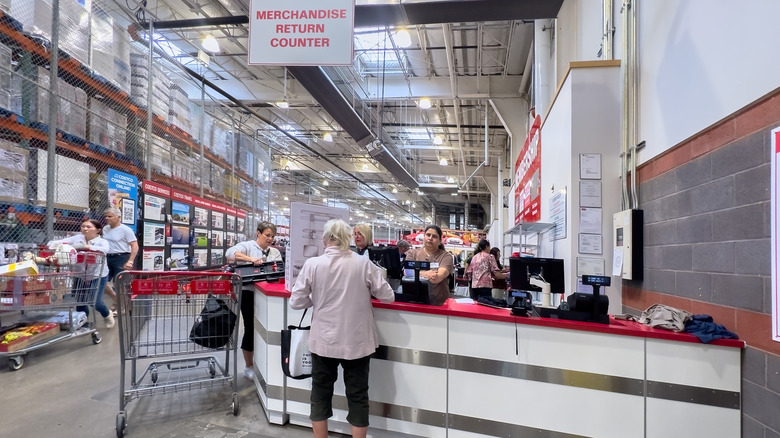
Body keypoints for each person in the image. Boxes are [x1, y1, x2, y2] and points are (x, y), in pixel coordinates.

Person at [290, 219, 393, 438]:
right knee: (358, 396)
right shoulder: (363, 263)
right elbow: (388, 296)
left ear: (324, 239)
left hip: (323, 341)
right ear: (348, 239)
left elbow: (296, 302)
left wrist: (316, 299)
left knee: (319, 393)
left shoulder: (313, 264)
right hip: (357, 341)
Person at [225, 221, 282, 380]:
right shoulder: (248, 246)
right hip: (249, 294)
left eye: (272, 236)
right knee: (250, 328)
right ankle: (248, 366)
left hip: (269, 296)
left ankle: (264, 362)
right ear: (258, 233)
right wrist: (252, 260)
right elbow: (230, 253)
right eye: (267, 235)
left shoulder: (275, 252)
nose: (270, 239)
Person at [47, 219, 114, 328]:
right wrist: (55, 246)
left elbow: (104, 250)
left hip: (97, 274)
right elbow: (59, 242)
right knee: (80, 301)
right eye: (83, 226)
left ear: (98, 230)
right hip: (80, 273)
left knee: (95, 302)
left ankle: (107, 315)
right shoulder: (77, 238)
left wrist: (87, 247)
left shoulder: (102, 242)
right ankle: (82, 322)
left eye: (88, 227)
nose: (85, 229)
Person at [403, 225, 454, 306]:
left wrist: (415, 272)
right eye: (428, 235)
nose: (430, 238)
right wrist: (426, 274)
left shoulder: (446, 256)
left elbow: (437, 278)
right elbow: (407, 272)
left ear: (440, 241)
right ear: (424, 237)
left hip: (439, 303)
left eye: (434, 236)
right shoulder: (412, 253)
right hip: (415, 301)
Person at [102, 208, 138, 312]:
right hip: (108, 257)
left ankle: (121, 307)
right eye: (106, 216)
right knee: (102, 281)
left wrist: (130, 261)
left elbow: (135, 246)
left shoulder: (126, 230)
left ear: (118, 217)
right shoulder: (105, 229)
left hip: (121, 257)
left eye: (110, 216)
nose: (107, 218)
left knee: (120, 284)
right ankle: (117, 300)